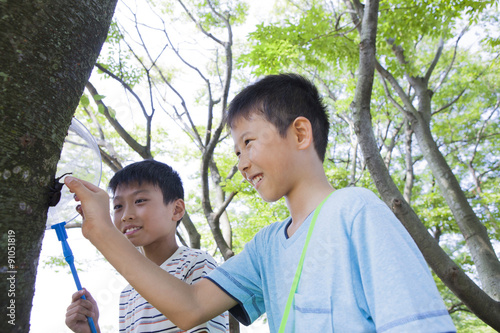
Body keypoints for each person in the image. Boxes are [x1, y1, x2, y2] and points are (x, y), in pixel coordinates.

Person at [66, 74, 456, 332]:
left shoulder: (356, 211)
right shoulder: (267, 247)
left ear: (300, 132)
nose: (241, 164)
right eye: (236, 151)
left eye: (249, 143)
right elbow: (188, 307)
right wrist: (101, 232)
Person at [65, 160, 229, 333]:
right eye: (118, 206)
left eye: (140, 200)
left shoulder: (196, 262)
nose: (126, 215)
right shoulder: (127, 294)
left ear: (176, 210)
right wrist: (92, 330)